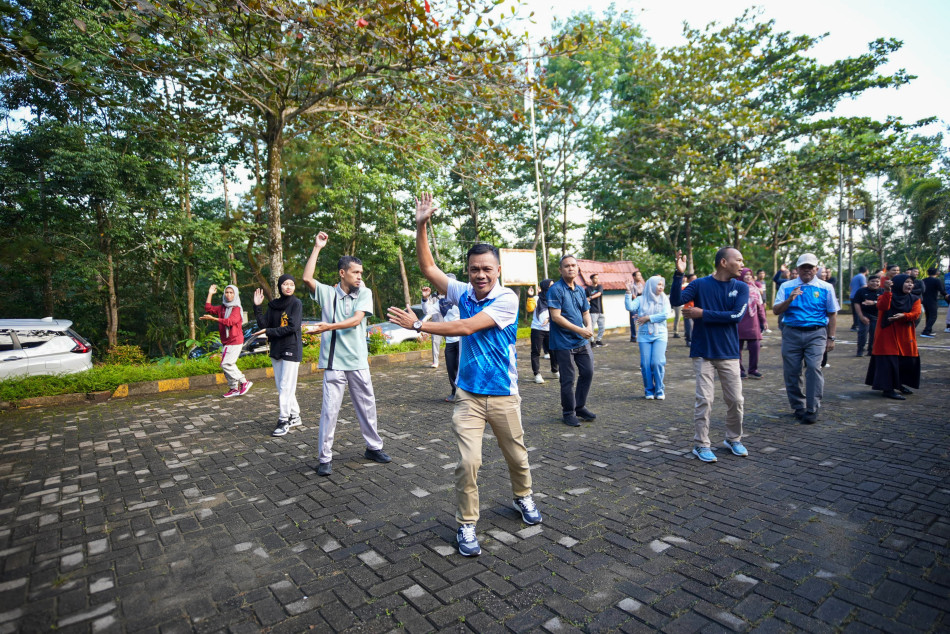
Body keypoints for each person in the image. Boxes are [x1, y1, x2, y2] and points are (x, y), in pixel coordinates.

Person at [387, 193, 540, 557]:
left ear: (498, 270)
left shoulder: (507, 299)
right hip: (468, 395)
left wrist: (422, 324)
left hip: (503, 394)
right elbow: (428, 269)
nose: (481, 275)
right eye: (475, 269)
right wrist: (421, 224)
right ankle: (467, 523)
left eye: (487, 268)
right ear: (469, 271)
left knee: (517, 457)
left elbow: (468, 327)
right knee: (468, 462)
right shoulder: (463, 291)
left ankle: (523, 497)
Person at [301, 232, 391, 476]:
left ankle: (373, 447)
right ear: (343, 273)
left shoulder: (364, 292)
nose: (360, 277)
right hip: (334, 364)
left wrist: (328, 327)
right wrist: (317, 247)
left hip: (358, 361)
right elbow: (307, 277)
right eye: (355, 273)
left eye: (361, 273)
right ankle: (324, 458)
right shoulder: (327, 293)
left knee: (367, 406)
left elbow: (355, 320)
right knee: (330, 410)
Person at [670, 247, 750, 464]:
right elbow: (676, 301)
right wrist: (679, 275)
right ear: (724, 262)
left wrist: (702, 313)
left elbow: (735, 316)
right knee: (704, 399)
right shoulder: (699, 284)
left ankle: (733, 439)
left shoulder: (742, 287)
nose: (742, 264)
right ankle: (701, 444)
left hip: (729, 353)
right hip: (703, 352)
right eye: (739, 260)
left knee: (736, 400)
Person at [772, 253, 840, 425]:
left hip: (816, 333)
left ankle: (812, 408)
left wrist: (831, 338)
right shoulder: (787, 286)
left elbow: (832, 314)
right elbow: (776, 310)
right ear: (798, 269)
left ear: (816, 269)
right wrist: (790, 299)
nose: (807, 270)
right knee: (792, 371)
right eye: (804, 267)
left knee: (813, 368)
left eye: (811, 267)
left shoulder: (825, 287)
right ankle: (798, 406)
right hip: (791, 333)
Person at [548, 255, 596, 427]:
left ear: (578, 269)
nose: (571, 268)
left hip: (581, 341)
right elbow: (556, 317)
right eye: (567, 266)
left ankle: (579, 406)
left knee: (588, 372)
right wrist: (581, 330)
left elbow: (585, 312)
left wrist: (589, 326)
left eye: (574, 265)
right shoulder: (555, 290)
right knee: (568, 379)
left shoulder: (581, 290)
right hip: (563, 342)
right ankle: (568, 412)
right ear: (560, 270)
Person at [253, 276, 303, 436]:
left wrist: (269, 332)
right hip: (276, 349)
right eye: (285, 284)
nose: (289, 287)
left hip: (291, 348)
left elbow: (292, 327)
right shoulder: (274, 305)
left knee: (285, 386)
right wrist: (257, 307)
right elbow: (264, 325)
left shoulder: (296, 304)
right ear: (280, 286)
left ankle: (284, 420)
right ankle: (295, 415)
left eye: (292, 284)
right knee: (282, 387)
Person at [865, 274, 921, 400]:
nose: (910, 285)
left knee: (904, 361)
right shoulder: (884, 296)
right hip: (887, 334)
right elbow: (883, 306)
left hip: (905, 335)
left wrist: (904, 316)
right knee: (888, 362)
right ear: (898, 284)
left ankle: (899, 384)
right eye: (906, 282)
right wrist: (887, 291)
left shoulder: (915, 298)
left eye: (911, 282)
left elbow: (916, 313)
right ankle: (888, 389)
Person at [625, 275, 673, 399]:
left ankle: (659, 390)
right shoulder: (641, 299)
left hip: (660, 334)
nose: (661, 287)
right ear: (651, 285)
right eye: (658, 284)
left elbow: (666, 314)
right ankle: (649, 390)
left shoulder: (664, 299)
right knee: (645, 364)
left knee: (657, 362)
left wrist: (648, 318)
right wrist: (628, 292)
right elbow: (629, 307)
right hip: (644, 336)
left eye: (662, 284)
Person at [201, 284, 252, 398]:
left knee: (226, 364)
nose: (228, 295)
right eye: (227, 292)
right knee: (227, 365)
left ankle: (244, 381)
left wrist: (213, 319)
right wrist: (210, 293)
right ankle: (233, 388)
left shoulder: (237, 309)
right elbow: (208, 308)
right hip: (226, 341)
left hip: (235, 340)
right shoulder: (222, 308)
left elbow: (230, 321)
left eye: (231, 292)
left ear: (235, 294)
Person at [737, 268, 767, 379]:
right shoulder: (736, 287)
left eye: (750, 274)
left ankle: (753, 369)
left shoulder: (755, 288)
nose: (748, 276)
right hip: (739, 319)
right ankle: (739, 370)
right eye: (746, 275)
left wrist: (763, 320)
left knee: (755, 346)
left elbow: (760, 306)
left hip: (753, 320)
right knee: (737, 348)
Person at [530, 279, 559, 384]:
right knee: (536, 352)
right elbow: (529, 309)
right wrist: (530, 296)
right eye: (550, 285)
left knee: (554, 350)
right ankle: (536, 374)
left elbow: (560, 312)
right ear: (545, 286)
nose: (553, 287)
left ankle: (555, 370)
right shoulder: (536, 298)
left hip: (551, 329)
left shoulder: (555, 298)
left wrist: (549, 318)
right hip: (537, 329)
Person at [440, 274, 462, 401]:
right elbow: (428, 311)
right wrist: (425, 299)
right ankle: (454, 391)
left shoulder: (462, 300)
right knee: (450, 367)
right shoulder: (442, 302)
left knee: (461, 367)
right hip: (449, 341)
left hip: (461, 340)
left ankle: (463, 392)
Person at [854, 274, 883, 356]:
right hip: (864, 315)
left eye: (877, 281)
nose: (875, 283)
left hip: (876, 316)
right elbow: (856, 304)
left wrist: (874, 302)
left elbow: (886, 303)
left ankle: (871, 350)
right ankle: (860, 351)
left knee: (874, 334)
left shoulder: (882, 291)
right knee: (862, 333)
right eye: (872, 281)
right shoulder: (861, 291)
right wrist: (861, 316)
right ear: (868, 282)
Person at [919, 268, 947, 338]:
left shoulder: (924, 280)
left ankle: (929, 330)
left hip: (924, 300)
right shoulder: (937, 280)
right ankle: (926, 331)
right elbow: (942, 290)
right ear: (936, 273)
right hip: (932, 300)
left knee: (928, 315)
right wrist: (946, 295)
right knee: (933, 316)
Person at [421, 286, 443, 368]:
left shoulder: (449, 296)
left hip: (449, 323)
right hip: (436, 323)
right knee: (435, 342)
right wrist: (425, 297)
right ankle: (435, 361)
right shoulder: (432, 296)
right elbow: (427, 310)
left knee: (453, 343)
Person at [586, 273, 607, 347]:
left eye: (598, 278)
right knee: (591, 326)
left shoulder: (599, 286)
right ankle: (591, 341)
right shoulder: (588, 289)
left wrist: (590, 298)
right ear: (591, 279)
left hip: (600, 310)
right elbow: (585, 299)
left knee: (602, 326)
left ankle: (599, 340)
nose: (597, 280)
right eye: (595, 278)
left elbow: (599, 293)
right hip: (592, 310)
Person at [849, 266, 868, 331]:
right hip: (858, 296)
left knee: (855, 312)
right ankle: (857, 326)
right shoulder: (862, 277)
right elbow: (864, 286)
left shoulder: (855, 277)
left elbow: (850, 287)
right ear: (866, 271)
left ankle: (855, 325)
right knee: (859, 311)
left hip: (852, 296)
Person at [628, 271, 645, 342]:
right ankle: (633, 336)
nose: (640, 277)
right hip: (634, 305)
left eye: (640, 275)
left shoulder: (642, 285)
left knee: (643, 320)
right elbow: (633, 296)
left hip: (642, 304)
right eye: (638, 275)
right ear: (634, 277)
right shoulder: (631, 286)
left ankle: (643, 335)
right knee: (633, 321)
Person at [682, 273, 697, 346]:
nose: (695, 280)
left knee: (695, 326)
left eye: (695, 278)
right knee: (689, 326)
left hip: (696, 309)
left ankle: (694, 340)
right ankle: (689, 340)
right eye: (693, 279)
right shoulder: (686, 288)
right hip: (688, 309)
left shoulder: (698, 287)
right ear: (689, 280)